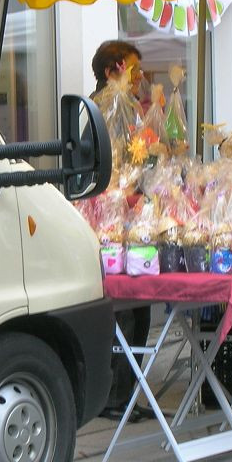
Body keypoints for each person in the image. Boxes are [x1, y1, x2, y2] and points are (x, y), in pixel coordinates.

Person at [89, 40, 153, 422]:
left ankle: (125, 393)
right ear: (115, 67)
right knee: (126, 306)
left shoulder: (114, 106)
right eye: (135, 70)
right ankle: (114, 396)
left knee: (137, 307)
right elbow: (115, 162)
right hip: (113, 215)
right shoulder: (107, 105)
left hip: (122, 210)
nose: (139, 79)